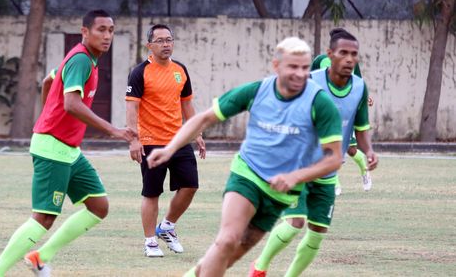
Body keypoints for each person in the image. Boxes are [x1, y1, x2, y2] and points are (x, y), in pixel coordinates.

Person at [146, 36, 344, 277]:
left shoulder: (320, 102)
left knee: (226, 257)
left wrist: (295, 177)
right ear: (276, 66)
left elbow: (333, 158)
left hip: (280, 193)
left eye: (304, 67)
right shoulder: (258, 91)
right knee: (227, 240)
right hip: (247, 175)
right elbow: (205, 118)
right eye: (293, 66)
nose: (300, 73)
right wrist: (170, 148)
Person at [0, 9, 135, 277]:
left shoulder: (86, 58)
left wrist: (47, 113)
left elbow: (49, 80)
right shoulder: (81, 60)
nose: (107, 35)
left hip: (69, 150)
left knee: (98, 207)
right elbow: (71, 103)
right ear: (85, 32)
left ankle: (40, 257)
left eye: (111, 30)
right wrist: (113, 130)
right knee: (43, 218)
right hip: (53, 147)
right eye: (101, 29)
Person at [249, 28, 378, 277]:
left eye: (354, 54)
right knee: (295, 223)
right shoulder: (310, 81)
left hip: (329, 170)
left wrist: (369, 150)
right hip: (298, 164)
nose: (349, 58)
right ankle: (259, 268)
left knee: (318, 231)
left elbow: (361, 127)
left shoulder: (360, 88)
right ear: (330, 54)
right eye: (343, 53)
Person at [125, 24, 206, 257]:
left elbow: (187, 104)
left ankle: (167, 226)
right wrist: (134, 139)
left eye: (169, 39)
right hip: (151, 141)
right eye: (160, 40)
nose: (166, 44)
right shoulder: (139, 72)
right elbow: (132, 108)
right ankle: (150, 241)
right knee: (152, 192)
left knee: (190, 186)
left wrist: (197, 132)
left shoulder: (180, 70)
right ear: (149, 45)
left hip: (178, 141)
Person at [311, 43, 374, 194]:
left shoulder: (351, 64)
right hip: (326, 116)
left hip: (345, 113)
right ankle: (334, 183)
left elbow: (357, 85)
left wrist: (365, 99)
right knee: (328, 149)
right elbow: (310, 83)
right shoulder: (319, 61)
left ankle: (364, 171)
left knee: (351, 150)